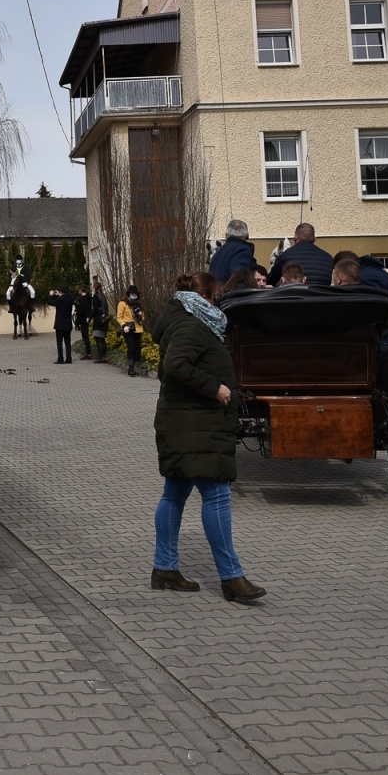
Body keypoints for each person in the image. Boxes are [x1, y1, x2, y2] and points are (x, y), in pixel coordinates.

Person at [149, 270, 265, 603]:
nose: (220, 303)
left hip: (185, 423)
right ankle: (231, 578)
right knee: (216, 494)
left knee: (175, 492)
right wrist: (215, 388)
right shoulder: (192, 325)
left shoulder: (188, 320)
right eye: (217, 297)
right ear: (206, 298)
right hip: (194, 425)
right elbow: (174, 365)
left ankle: (165, 568)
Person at [266, 224, 333, 286]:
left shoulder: (285, 256)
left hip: (294, 297)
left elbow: (270, 281)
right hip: (322, 298)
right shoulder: (328, 258)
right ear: (314, 239)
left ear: (295, 237)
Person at [209, 219, 256, 284]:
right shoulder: (243, 250)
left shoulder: (219, 251)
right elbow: (238, 275)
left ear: (226, 235)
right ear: (247, 235)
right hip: (230, 293)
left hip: (215, 291)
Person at [117, 285, 145, 377]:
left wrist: (140, 315)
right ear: (128, 293)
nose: (133, 295)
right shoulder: (123, 303)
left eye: (135, 293)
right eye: (132, 293)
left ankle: (135, 365)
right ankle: (131, 368)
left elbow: (143, 318)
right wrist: (124, 325)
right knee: (131, 348)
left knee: (137, 350)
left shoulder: (139, 304)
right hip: (128, 329)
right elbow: (119, 317)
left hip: (138, 328)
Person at [49, 285, 77, 364]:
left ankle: (60, 358)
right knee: (68, 342)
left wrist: (51, 295)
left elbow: (50, 302)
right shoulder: (70, 299)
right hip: (68, 324)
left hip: (60, 324)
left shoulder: (60, 299)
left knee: (59, 342)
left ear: (61, 291)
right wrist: (59, 295)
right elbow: (69, 298)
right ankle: (69, 358)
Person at [87, 277, 110, 362]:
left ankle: (101, 357)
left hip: (98, 319)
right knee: (102, 338)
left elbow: (95, 309)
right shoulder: (103, 296)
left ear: (94, 288)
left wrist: (89, 317)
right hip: (105, 319)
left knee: (98, 338)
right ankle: (104, 355)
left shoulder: (96, 297)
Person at [72, 284, 95, 360]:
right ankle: (88, 353)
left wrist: (76, 312)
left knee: (85, 337)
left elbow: (81, 310)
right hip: (88, 318)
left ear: (80, 291)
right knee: (86, 336)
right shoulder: (90, 298)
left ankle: (88, 353)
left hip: (82, 319)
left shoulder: (81, 299)